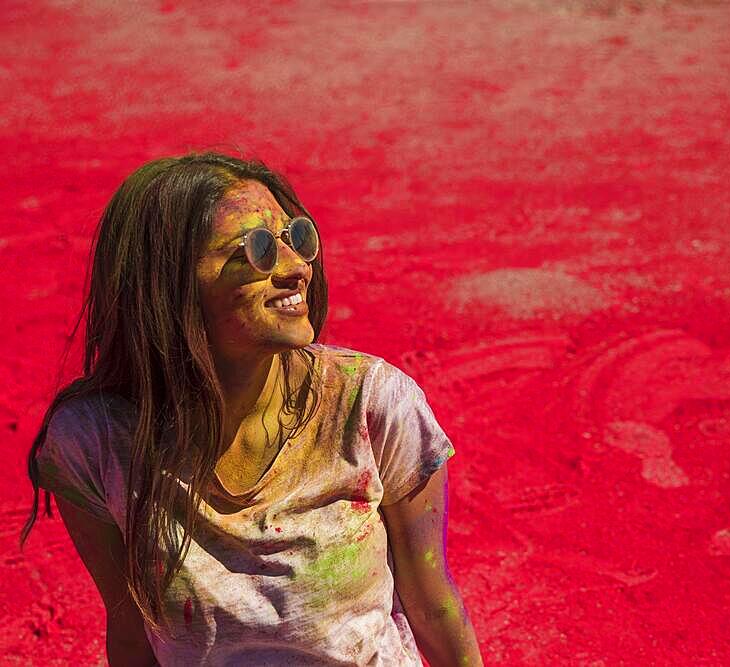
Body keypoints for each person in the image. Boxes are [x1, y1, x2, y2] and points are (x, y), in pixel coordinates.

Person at [19, 152, 483, 666]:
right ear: (168, 284)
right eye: (256, 250)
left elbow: (433, 605)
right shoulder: (94, 443)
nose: (295, 268)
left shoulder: (370, 406)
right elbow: (131, 631)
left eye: (295, 239)